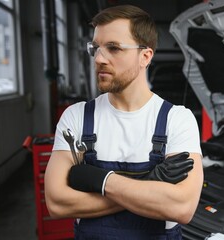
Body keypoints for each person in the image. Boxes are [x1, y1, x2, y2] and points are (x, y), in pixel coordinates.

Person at [44, 4, 203, 239]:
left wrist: (98, 179)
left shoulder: (177, 120)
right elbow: (57, 203)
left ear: (145, 56)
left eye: (114, 48)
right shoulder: (76, 116)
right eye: (96, 48)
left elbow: (181, 208)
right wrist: (148, 182)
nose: (99, 59)